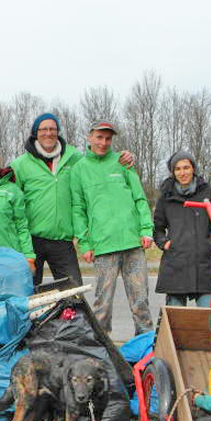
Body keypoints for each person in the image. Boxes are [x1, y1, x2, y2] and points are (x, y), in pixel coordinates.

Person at [11, 113, 133, 288]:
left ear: (58, 132)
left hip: (63, 240)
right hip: (31, 241)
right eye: (43, 129)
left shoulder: (74, 158)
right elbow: (13, 203)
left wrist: (123, 158)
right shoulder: (20, 165)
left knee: (74, 294)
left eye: (52, 129)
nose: (48, 133)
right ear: (35, 133)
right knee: (27, 294)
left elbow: (95, 163)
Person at [70, 121, 154, 335]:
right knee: (102, 306)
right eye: (99, 137)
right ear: (90, 137)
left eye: (108, 138)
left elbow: (139, 198)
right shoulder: (79, 170)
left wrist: (146, 229)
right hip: (103, 247)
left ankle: (145, 350)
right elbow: (78, 210)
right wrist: (85, 244)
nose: (104, 142)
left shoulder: (122, 162)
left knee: (140, 302)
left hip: (132, 244)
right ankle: (102, 352)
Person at [153, 151, 211, 308]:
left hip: (202, 263)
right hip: (175, 263)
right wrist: (164, 243)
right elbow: (157, 228)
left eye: (186, 167)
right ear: (173, 172)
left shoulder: (208, 193)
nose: (182, 172)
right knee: (175, 320)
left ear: (193, 168)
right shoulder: (166, 196)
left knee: (207, 317)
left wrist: (209, 245)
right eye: (178, 169)